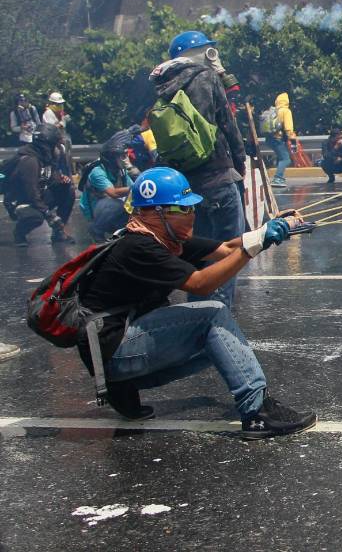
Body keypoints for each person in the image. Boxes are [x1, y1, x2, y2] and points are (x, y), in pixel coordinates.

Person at [73, 167, 316, 437]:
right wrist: (255, 245)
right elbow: (202, 283)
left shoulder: (164, 238)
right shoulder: (139, 247)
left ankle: (124, 389)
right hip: (113, 353)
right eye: (183, 209)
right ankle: (257, 411)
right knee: (213, 315)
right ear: (157, 213)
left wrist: (268, 231)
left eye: (191, 208)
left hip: (114, 351)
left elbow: (225, 249)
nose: (192, 214)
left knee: (223, 343)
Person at [150, 30, 249, 307]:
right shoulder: (205, 78)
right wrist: (239, 162)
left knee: (202, 252)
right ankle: (219, 317)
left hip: (188, 188)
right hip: (218, 178)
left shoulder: (164, 84)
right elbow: (227, 125)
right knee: (228, 254)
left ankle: (198, 312)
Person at [6, 123, 75, 245]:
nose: (57, 147)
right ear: (47, 145)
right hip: (22, 202)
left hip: (38, 197)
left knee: (68, 190)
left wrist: (60, 180)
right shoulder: (29, 161)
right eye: (55, 144)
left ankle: (58, 233)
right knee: (36, 217)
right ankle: (19, 234)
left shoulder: (47, 157)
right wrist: (49, 215)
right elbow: (32, 193)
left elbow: (48, 178)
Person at [79, 128, 137, 241]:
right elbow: (113, 193)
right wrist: (136, 188)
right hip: (96, 209)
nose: (124, 159)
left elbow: (134, 189)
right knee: (116, 204)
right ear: (111, 157)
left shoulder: (121, 171)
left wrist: (131, 169)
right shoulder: (97, 172)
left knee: (134, 205)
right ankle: (96, 229)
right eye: (121, 156)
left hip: (110, 208)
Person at [263, 93, 295, 188]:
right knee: (286, 159)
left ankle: (279, 177)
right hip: (278, 138)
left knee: (281, 158)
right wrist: (292, 138)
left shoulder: (273, 111)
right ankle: (278, 178)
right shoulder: (286, 111)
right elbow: (288, 127)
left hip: (269, 139)